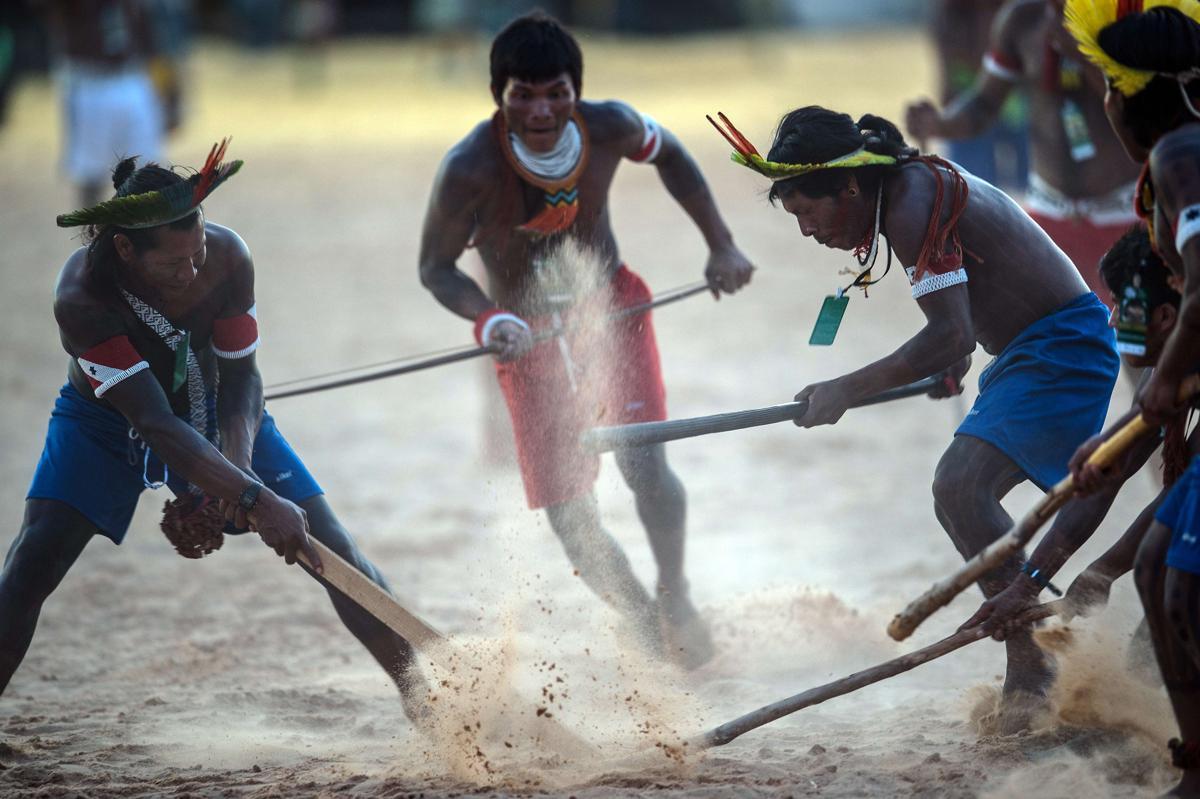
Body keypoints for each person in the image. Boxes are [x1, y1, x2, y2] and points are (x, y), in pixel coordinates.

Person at [709, 104, 1118, 726]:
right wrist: (950, 354)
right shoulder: (902, 190)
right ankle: (1042, 638)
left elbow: (948, 334)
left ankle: (1034, 659)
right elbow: (961, 322)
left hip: (1063, 347)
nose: (807, 232)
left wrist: (848, 387)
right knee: (955, 495)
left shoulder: (906, 201)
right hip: (1027, 350)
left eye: (807, 211)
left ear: (848, 185)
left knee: (960, 484)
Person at [0, 144, 429, 723]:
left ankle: (432, 707)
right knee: (31, 564)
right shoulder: (80, 298)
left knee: (331, 548)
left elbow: (243, 378)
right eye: (174, 264)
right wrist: (250, 498)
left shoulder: (228, 257)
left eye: (197, 251)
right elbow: (151, 422)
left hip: (218, 407)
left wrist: (241, 471)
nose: (193, 271)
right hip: (106, 422)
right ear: (124, 249)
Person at [418, 11, 754, 668]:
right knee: (571, 515)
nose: (542, 111)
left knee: (647, 466)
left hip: (614, 313)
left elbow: (677, 157)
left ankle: (675, 593)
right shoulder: (468, 169)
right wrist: (488, 319)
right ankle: (641, 616)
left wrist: (722, 244)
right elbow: (434, 267)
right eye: (525, 94)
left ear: (577, 92)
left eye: (556, 93)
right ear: (499, 96)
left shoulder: (612, 126)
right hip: (526, 338)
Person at [1048, 1, 1200, 789]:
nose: (1100, 105)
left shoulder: (1182, 156)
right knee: (1153, 569)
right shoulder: (1173, 162)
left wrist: (1164, 384)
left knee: (1172, 577)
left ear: (1123, 92)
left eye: (1102, 88)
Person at [962, 227, 1188, 634]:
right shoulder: (1169, 367)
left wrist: (1104, 570)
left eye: (1122, 306)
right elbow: (1107, 474)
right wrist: (1026, 586)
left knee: (1166, 577)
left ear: (1166, 317)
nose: (1113, 320)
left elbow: (1184, 493)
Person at [906, 0, 1140, 302]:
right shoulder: (1022, 18)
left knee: (1131, 338)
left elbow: (1139, 110)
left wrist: (1084, 56)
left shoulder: (1126, 15)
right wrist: (939, 124)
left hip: (1123, 214)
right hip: (1046, 215)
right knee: (1055, 334)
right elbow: (983, 105)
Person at [44, 0, 168, 208]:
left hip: (133, 77)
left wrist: (167, 88)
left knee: (147, 170)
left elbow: (147, 27)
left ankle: (144, 234)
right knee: (90, 173)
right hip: (90, 82)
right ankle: (91, 234)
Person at [928, 0, 1030, 192]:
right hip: (970, 106)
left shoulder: (1016, 14)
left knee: (1028, 188)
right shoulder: (950, 15)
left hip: (1012, 105)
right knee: (973, 188)